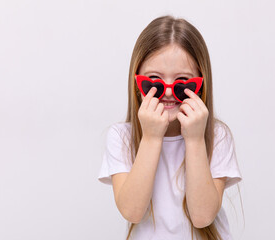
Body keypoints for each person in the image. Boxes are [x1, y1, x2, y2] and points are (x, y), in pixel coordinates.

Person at [98, 15, 242, 240]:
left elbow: (202, 216)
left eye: (182, 83)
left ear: (201, 84)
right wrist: (151, 138)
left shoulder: (216, 136)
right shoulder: (121, 137)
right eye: (153, 81)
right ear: (137, 83)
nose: (166, 92)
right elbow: (132, 211)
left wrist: (194, 140)